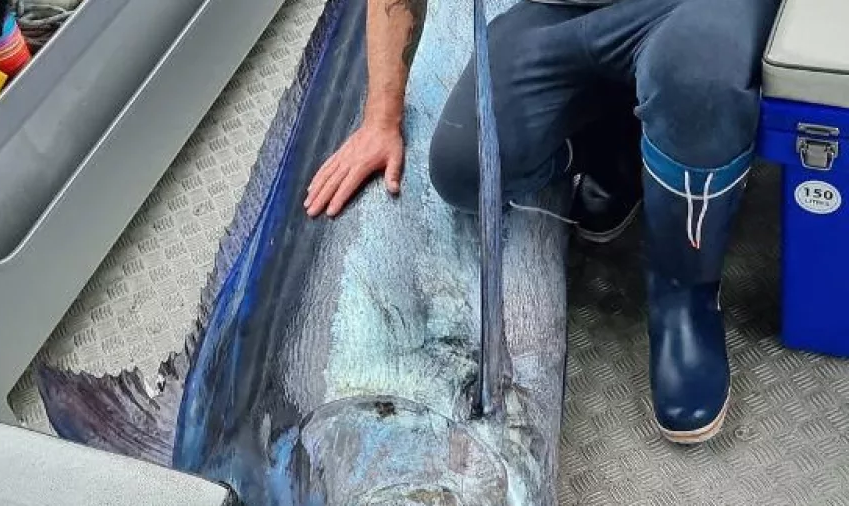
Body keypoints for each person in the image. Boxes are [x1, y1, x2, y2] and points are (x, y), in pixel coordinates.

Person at [304, 0, 780, 444]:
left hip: (694, 7)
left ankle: (685, 296)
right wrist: (381, 118)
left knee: (696, 78)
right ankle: (623, 150)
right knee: (466, 167)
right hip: (557, 11)